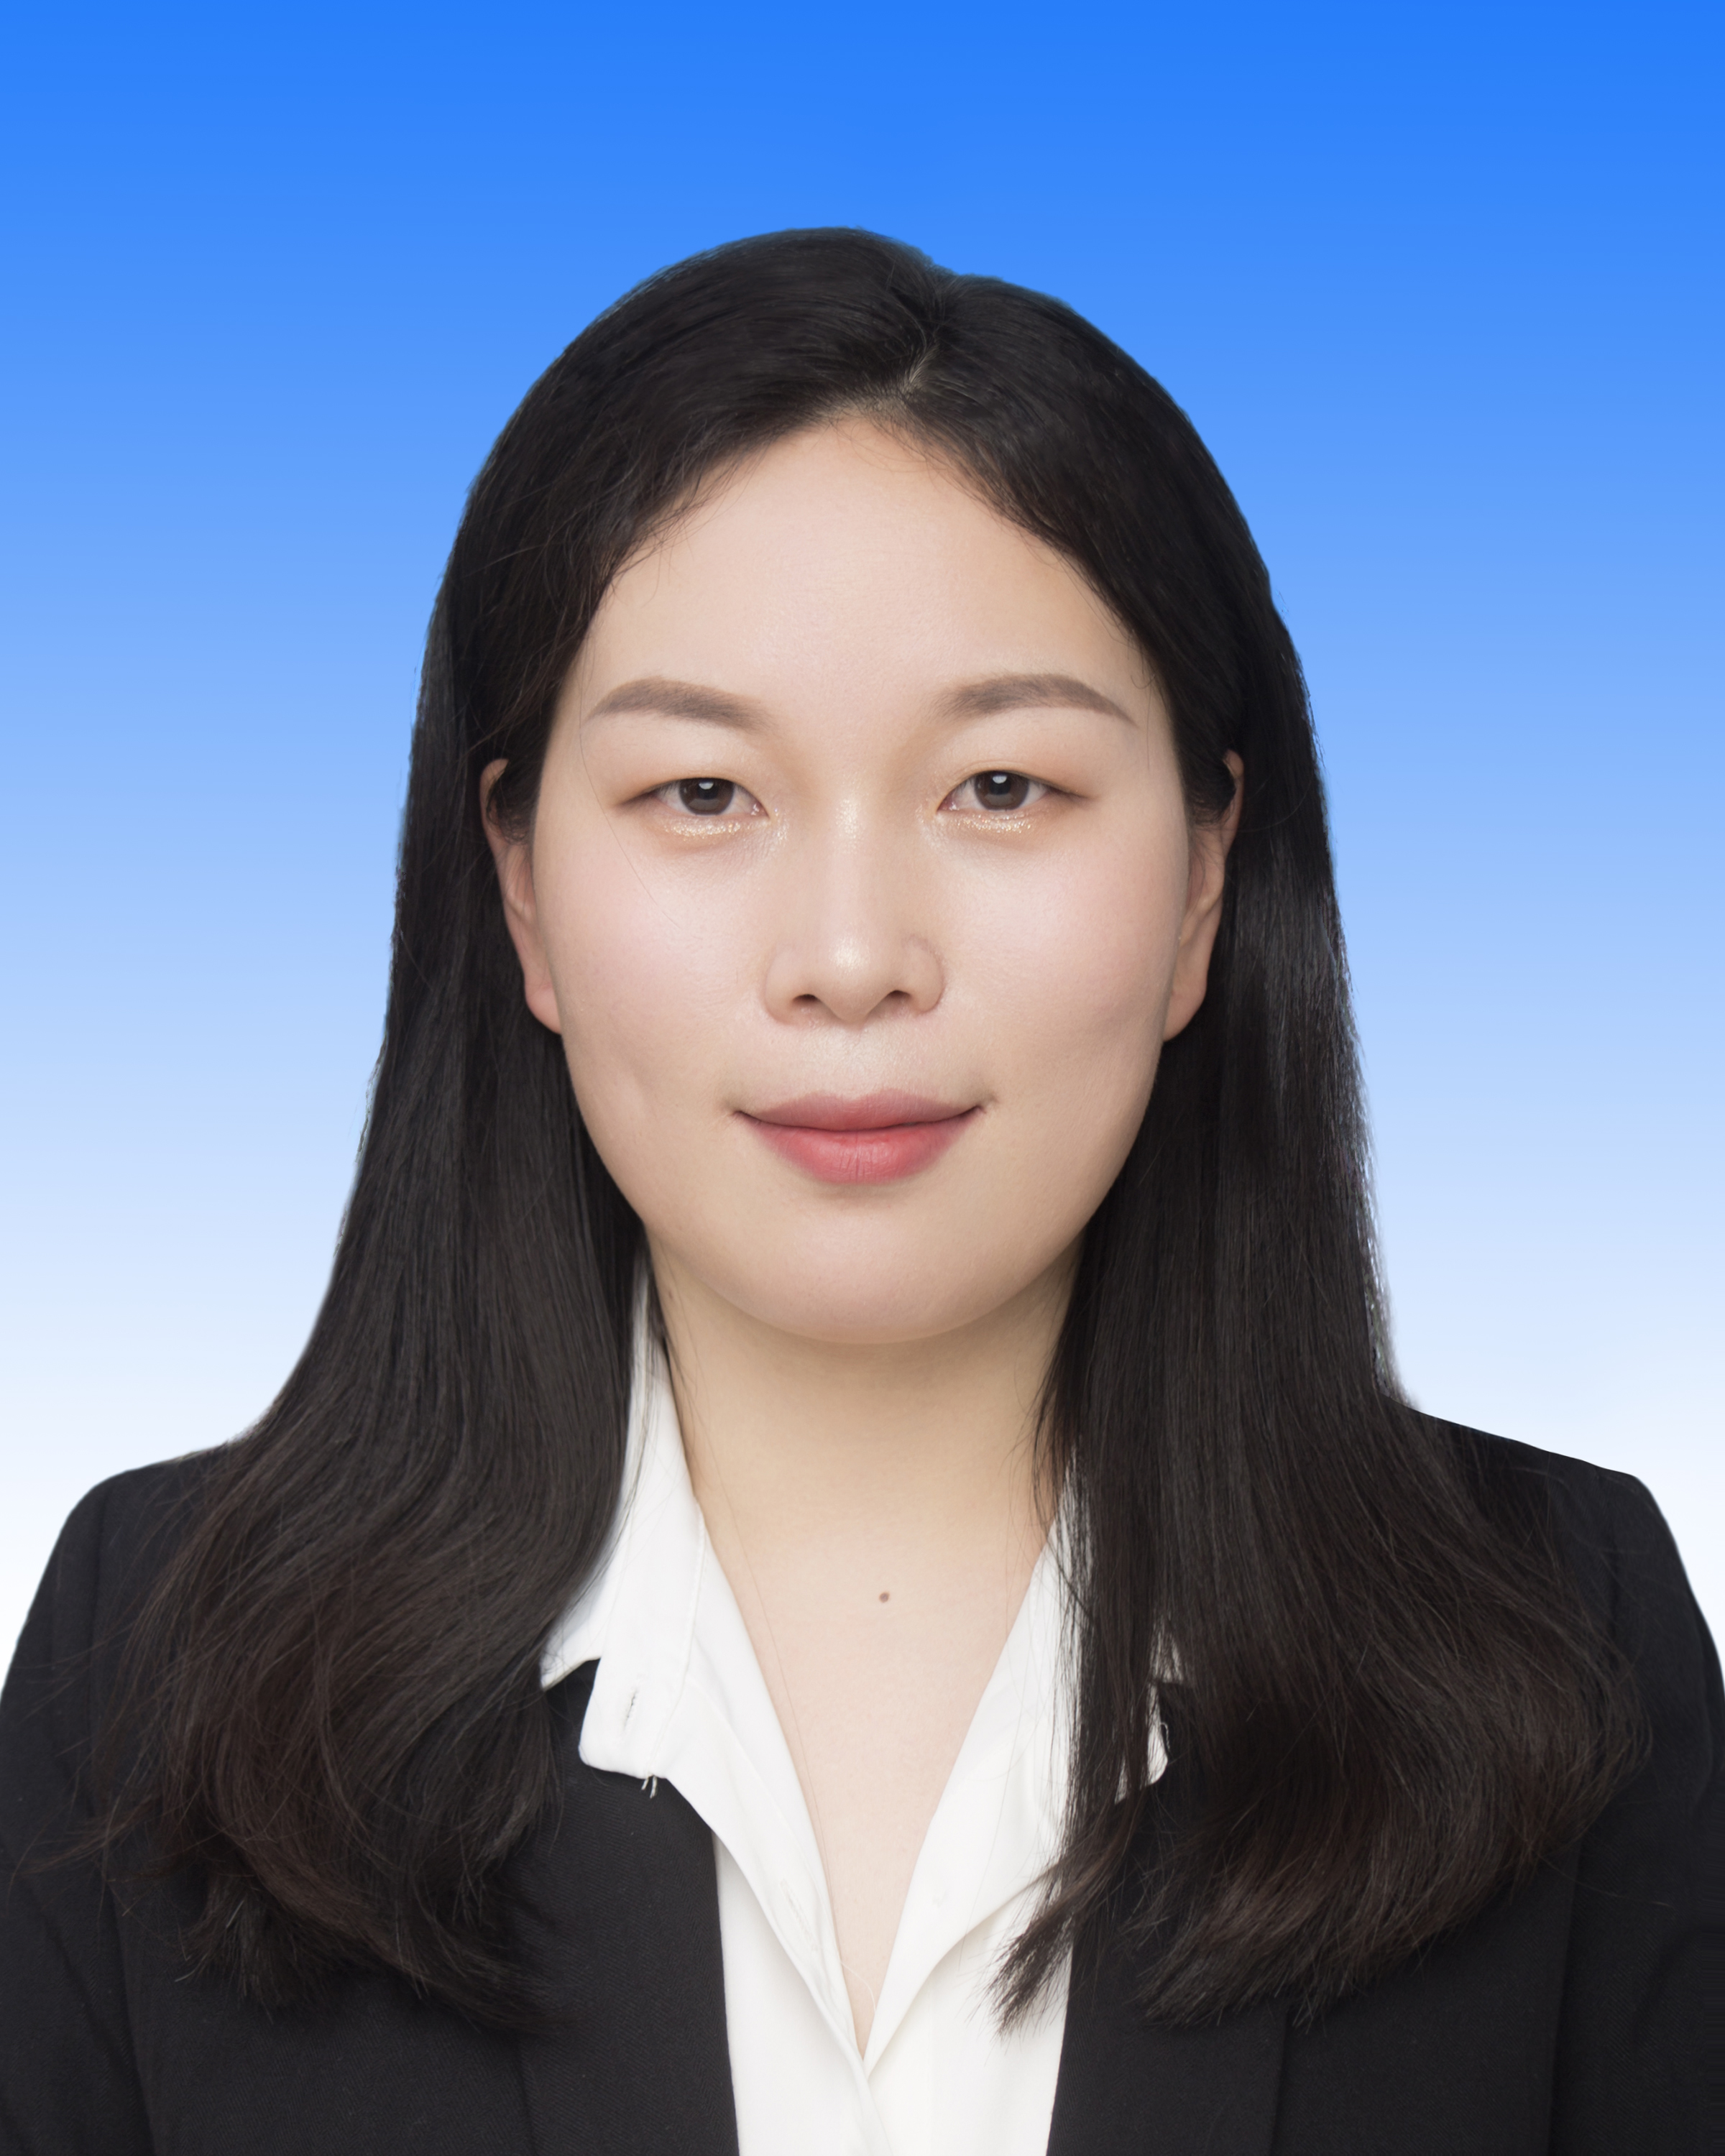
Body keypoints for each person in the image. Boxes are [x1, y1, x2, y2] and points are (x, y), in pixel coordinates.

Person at [1, 229, 1715, 2156]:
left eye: (1001, 789)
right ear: (523, 892)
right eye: (702, 795)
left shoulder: (1562, 1645)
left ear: (1204, 884)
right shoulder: (159, 1667)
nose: (849, 957)